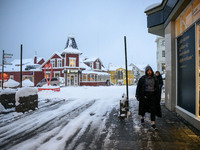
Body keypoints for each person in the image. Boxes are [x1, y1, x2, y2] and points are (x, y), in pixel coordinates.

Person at [135, 66, 161, 130]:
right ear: (146, 71)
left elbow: (157, 87)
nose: (149, 72)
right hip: (144, 95)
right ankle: (142, 118)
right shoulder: (143, 78)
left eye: (150, 70)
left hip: (152, 95)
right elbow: (138, 87)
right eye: (148, 71)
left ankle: (153, 123)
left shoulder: (154, 78)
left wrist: (157, 96)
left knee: (153, 109)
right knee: (143, 108)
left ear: (151, 71)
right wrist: (137, 95)